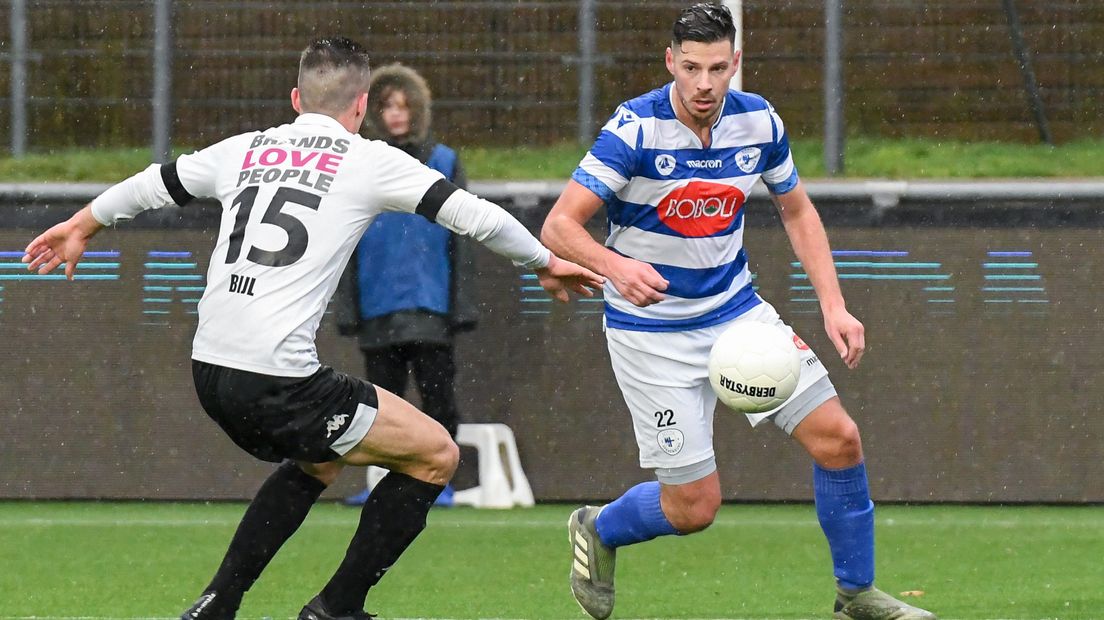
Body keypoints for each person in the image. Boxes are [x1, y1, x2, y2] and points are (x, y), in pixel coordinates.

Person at [23, 36, 602, 620]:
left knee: (320, 459)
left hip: (209, 373)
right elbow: (474, 215)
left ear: (296, 98)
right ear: (361, 106)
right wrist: (545, 262)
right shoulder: (371, 159)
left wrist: (81, 223)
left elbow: (153, 183)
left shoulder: (243, 148)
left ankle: (217, 603)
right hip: (278, 382)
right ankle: (336, 608)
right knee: (436, 455)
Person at [540, 5, 937, 620]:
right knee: (694, 509)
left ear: (736, 64)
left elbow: (797, 210)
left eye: (718, 68)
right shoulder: (635, 130)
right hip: (651, 333)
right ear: (670, 62)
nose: (704, 84)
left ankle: (855, 595)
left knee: (839, 439)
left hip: (736, 314)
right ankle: (598, 527)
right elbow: (560, 224)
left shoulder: (759, 121)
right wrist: (617, 267)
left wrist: (834, 305)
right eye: (691, 67)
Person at [334, 63, 475, 508]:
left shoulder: (445, 161)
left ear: (418, 110)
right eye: (386, 106)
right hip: (377, 304)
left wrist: (460, 305)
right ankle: (381, 482)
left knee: (439, 397)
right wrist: (348, 307)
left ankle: (440, 483)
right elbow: (343, 239)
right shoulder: (356, 161)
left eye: (404, 105)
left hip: (430, 303)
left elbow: (461, 238)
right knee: (379, 405)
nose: (396, 114)